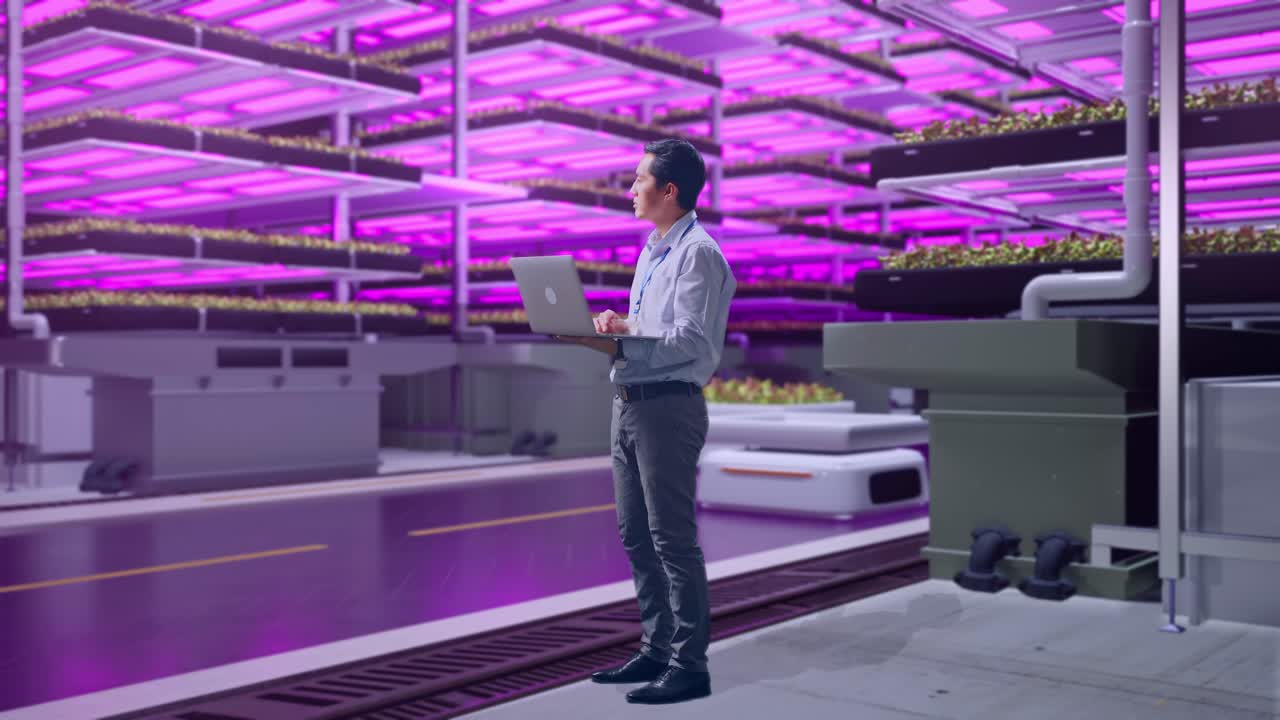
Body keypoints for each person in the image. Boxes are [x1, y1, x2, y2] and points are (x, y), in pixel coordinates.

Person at [555, 138, 736, 705]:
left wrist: (614, 341)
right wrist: (618, 324)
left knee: (672, 540)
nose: (631, 189)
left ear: (669, 190)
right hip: (629, 402)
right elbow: (653, 324)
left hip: (667, 406)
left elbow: (689, 339)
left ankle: (690, 664)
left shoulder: (698, 253)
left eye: (638, 180)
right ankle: (657, 648)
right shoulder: (654, 250)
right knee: (636, 536)